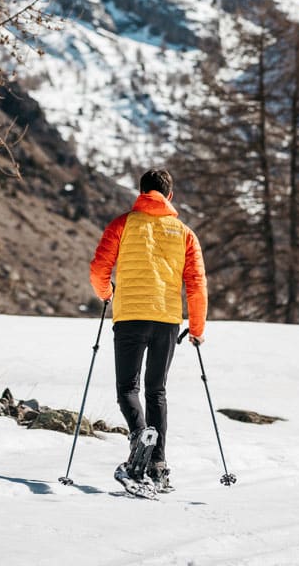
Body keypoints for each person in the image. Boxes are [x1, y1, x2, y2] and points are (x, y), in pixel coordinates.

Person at [90, 167, 207, 492]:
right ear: (169, 196)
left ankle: (140, 436)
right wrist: (196, 327)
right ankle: (158, 466)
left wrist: (106, 294)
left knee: (128, 388)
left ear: (141, 192)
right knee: (157, 391)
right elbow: (196, 284)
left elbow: (99, 268)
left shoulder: (122, 224)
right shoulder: (184, 233)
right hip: (167, 320)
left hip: (129, 317)